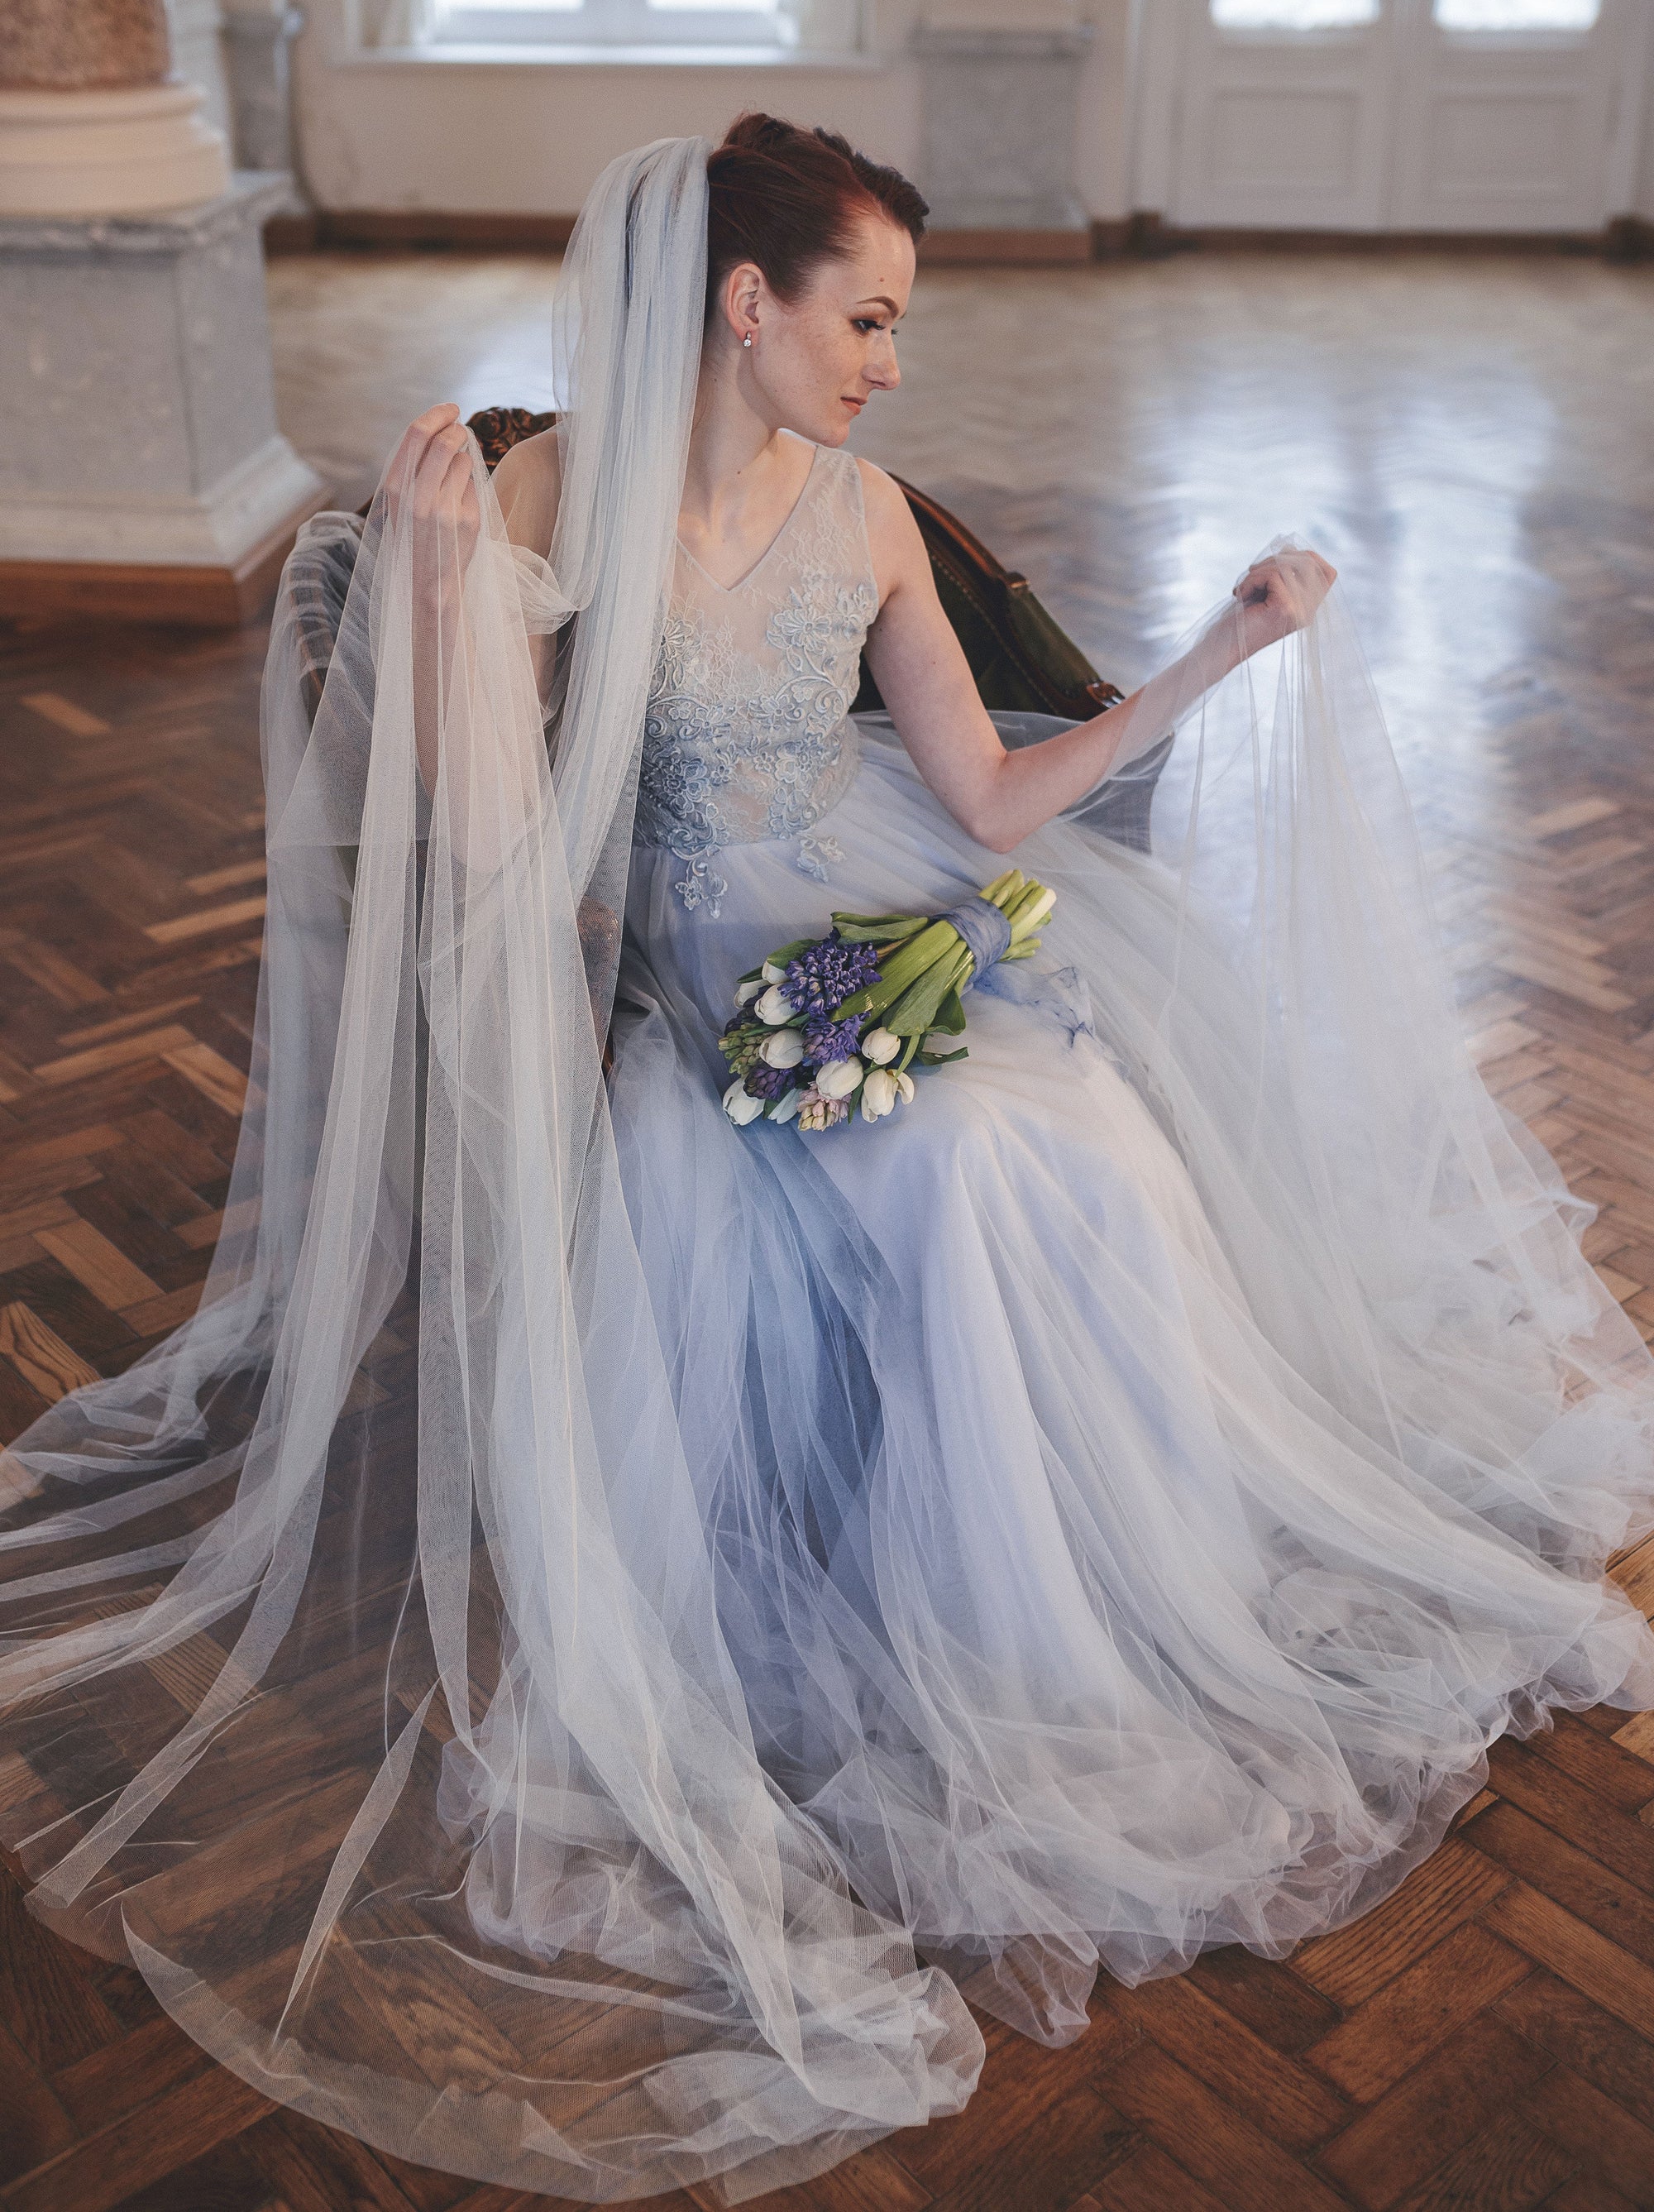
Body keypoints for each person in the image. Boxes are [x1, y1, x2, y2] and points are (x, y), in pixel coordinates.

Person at [1, 118, 1651, 2208]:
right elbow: (487, 866)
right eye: (862, 315)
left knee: (1074, 1157)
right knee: (951, 1188)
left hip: (874, 938)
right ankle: (984, 1633)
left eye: (896, 323)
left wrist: (1215, 654)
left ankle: (1095, 1625)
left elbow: (983, 800)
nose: (886, 360)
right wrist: (436, 594)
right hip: (676, 1000)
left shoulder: (869, 518)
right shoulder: (537, 502)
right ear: (740, 302)